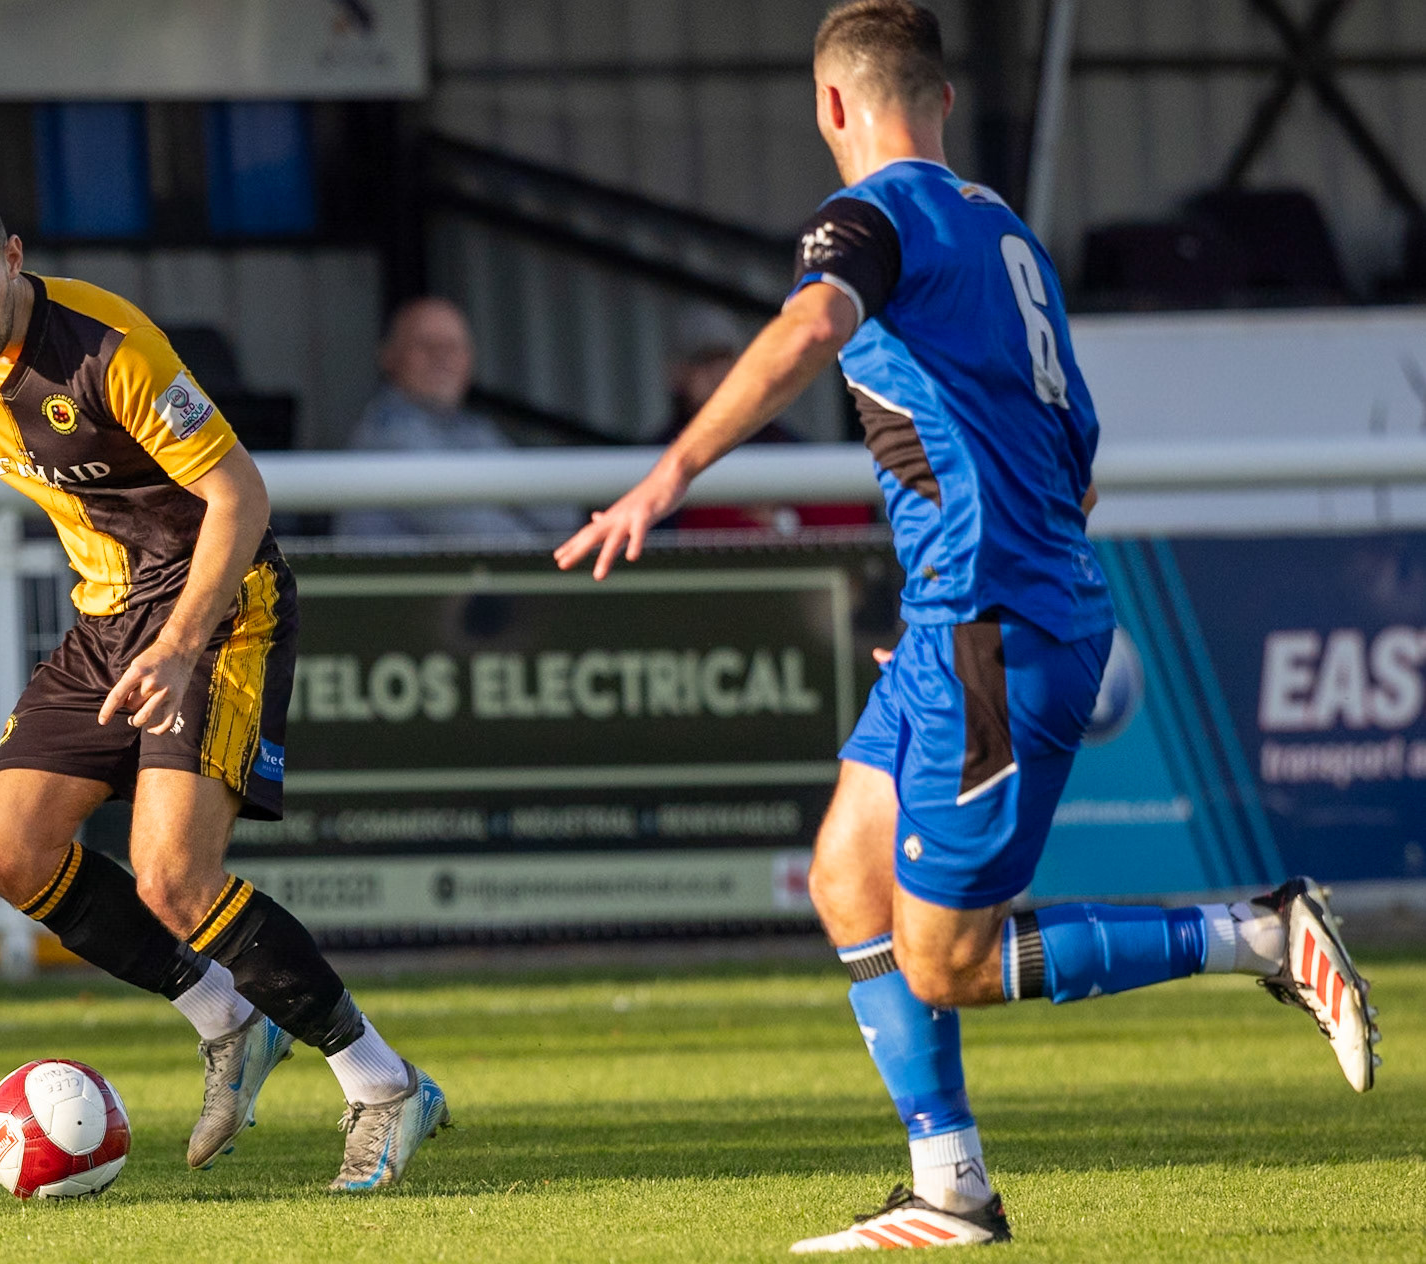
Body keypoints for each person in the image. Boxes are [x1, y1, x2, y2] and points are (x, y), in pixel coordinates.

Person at [556, 2, 1377, 1251]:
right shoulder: (1008, 241)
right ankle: (950, 1188)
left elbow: (809, 326)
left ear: (833, 107)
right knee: (847, 874)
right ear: (942, 98)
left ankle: (1258, 931)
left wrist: (667, 480)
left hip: (988, 629)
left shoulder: (869, 221)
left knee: (946, 960)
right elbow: (1077, 468)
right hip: (971, 617)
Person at [0, 176, 447, 1192]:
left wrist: (183, 642)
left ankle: (386, 1084)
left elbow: (240, 493)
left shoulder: (107, 344)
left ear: (12, 258)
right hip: (107, 617)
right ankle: (229, 1017)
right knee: (8, 851)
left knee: (173, 877)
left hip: (220, 607)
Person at [333, 296, 575, 540]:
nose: (442, 358)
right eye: (425, 345)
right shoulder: (385, 433)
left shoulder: (471, 428)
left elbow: (557, 511)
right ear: (389, 355)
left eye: (453, 346)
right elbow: (478, 533)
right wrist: (557, 553)